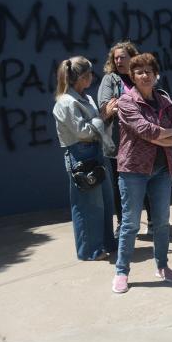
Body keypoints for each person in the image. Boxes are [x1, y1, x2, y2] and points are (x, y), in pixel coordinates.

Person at [111, 53, 172, 294]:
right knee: (130, 223)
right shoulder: (125, 101)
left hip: (162, 170)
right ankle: (122, 271)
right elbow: (143, 129)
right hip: (134, 169)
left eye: (148, 71)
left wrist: (162, 135)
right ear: (132, 76)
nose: (145, 75)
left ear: (156, 75)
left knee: (162, 222)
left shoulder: (164, 100)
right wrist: (168, 134)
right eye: (139, 72)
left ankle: (162, 266)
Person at [53, 56, 117, 261]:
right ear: (80, 77)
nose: (92, 77)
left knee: (105, 201)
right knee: (88, 205)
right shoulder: (66, 102)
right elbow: (82, 131)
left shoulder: (86, 98)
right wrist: (101, 118)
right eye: (88, 74)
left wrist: (102, 117)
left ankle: (107, 242)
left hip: (95, 151)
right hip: (80, 154)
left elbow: (93, 125)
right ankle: (90, 250)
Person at [97, 40, 140, 233]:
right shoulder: (110, 79)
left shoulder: (140, 75)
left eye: (123, 57)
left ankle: (152, 221)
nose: (119, 60)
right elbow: (106, 107)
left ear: (133, 58)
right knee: (119, 183)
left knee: (145, 179)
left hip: (142, 140)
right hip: (118, 141)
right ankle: (123, 222)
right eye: (116, 58)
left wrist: (121, 106)